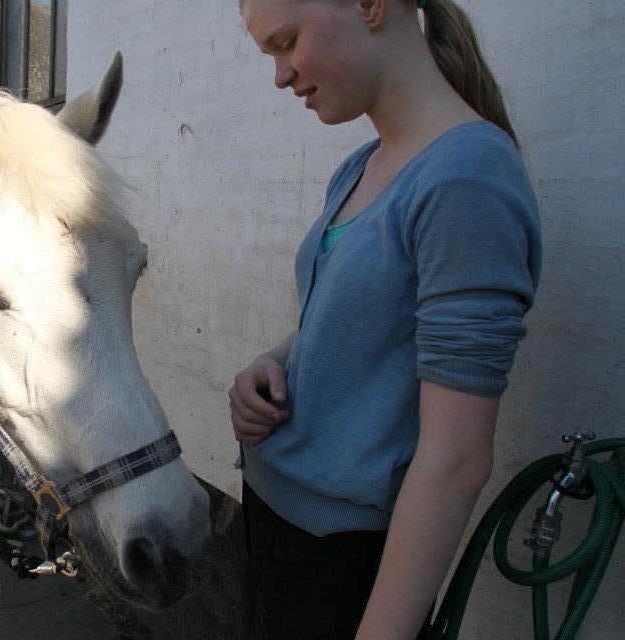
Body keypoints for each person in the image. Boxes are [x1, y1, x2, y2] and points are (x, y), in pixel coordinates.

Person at [228, 1, 542, 638]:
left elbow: (456, 459)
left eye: (287, 42)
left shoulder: (468, 177)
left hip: (341, 560)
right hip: (272, 514)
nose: (280, 75)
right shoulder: (362, 166)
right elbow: (343, 320)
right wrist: (272, 362)